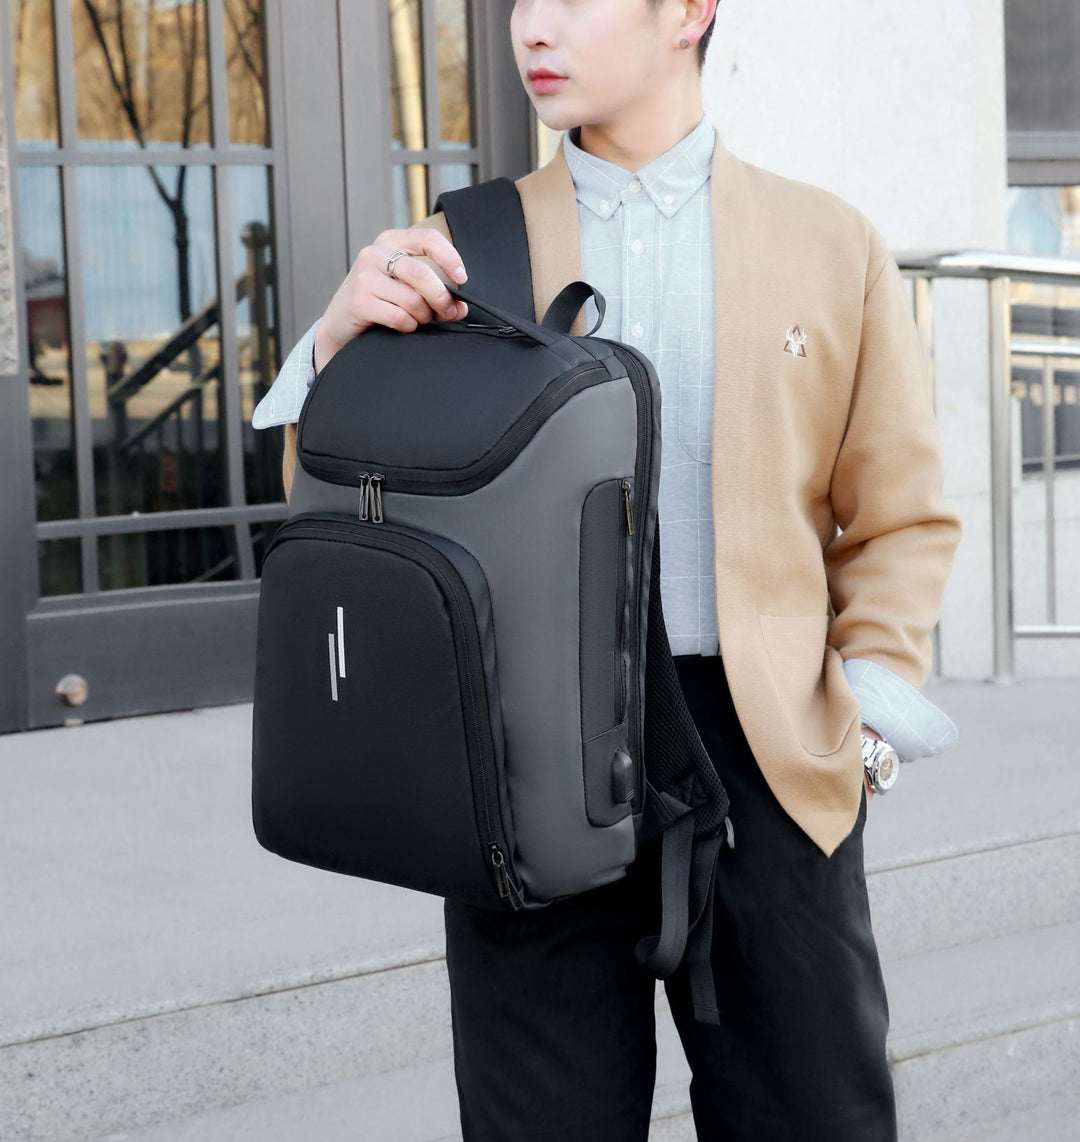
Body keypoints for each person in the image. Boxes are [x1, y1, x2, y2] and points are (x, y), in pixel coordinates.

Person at [252, 2, 963, 1137]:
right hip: (521, 759)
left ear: (689, 12)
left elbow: (902, 518)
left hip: (770, 754)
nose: (532, 28)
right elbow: (342, 496)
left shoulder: (829, 244)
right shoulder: (461, 246)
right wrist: (333, 343)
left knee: (815, 1115)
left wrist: (864, 734)